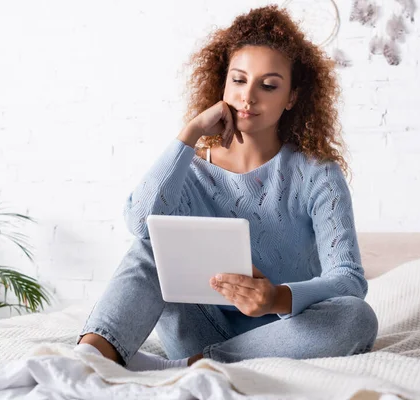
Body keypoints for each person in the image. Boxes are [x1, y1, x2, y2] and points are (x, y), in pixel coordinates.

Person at [75, 5, 378, 371]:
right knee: (150, 244)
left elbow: (348, 279)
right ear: (222, 84)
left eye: (268, 85)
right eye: (238, 80)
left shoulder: (317, 174)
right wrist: (190, 134)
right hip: (197, 329)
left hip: (285, 336)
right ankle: (89, 358)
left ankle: (188, 367)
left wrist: (276, 298)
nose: (248, 97)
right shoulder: (189, 170)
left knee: (358, 317)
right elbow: (139, 224)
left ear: (292, 98)